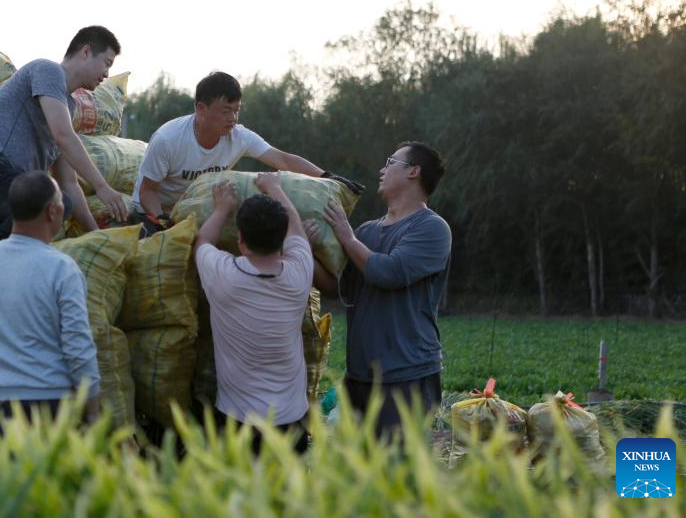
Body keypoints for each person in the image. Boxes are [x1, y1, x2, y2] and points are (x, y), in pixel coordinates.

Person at [0, 25, 130, 280]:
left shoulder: (67, 105)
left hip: (11, 193)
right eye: (106, 63)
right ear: (86, 52)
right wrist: (101, 186)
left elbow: (69, 184)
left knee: (50, 215)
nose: (107, 74)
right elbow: (63, 136)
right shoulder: (48, 71)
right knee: (52, 203)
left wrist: (95, 234)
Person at [307, 141, 451, 438]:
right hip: (359, 376)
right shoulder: (367, 232)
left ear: (414, 171)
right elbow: (337, 287)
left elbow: (390, 272)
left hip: (406, 375)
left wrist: (347, 239)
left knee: (395, 472)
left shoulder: (432, 228)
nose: (381, 170)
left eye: (390, 162)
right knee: (355, 472)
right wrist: (301, 246)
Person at [131, 71, 360, 235]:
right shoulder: (168, 139)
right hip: (155, 214)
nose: (233, 118)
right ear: (201, 109)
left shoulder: (239, 136)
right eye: (225, 111)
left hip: (197, 212)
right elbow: (148, 191)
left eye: (236, 110)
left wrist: (326, 177)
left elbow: (282, 159)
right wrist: (164, 223)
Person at [0, 170, 100, 428]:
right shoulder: (62, 268)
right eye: (62, 205)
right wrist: (93, 410)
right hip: (44, 403)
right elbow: (78, 345)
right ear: (52, 212)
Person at [192, 172, 313, 453]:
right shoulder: (299, 274)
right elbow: (297, 230)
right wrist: (275, 188)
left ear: (240, 240)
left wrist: (222, 208)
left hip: (238, 420)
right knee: (290, 495)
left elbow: (202, 243)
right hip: (292, 420)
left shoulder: (225, 275)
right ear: (282, 241)